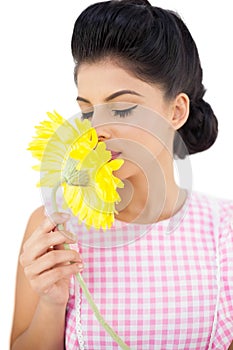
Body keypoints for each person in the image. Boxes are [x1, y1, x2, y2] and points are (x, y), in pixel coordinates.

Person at [10, 0, 233, 349]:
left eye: (122, 107)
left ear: (176, 111)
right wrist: (51, 303)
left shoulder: (225, 229)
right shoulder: (56, 226)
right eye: (87, 111)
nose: (97, 129)